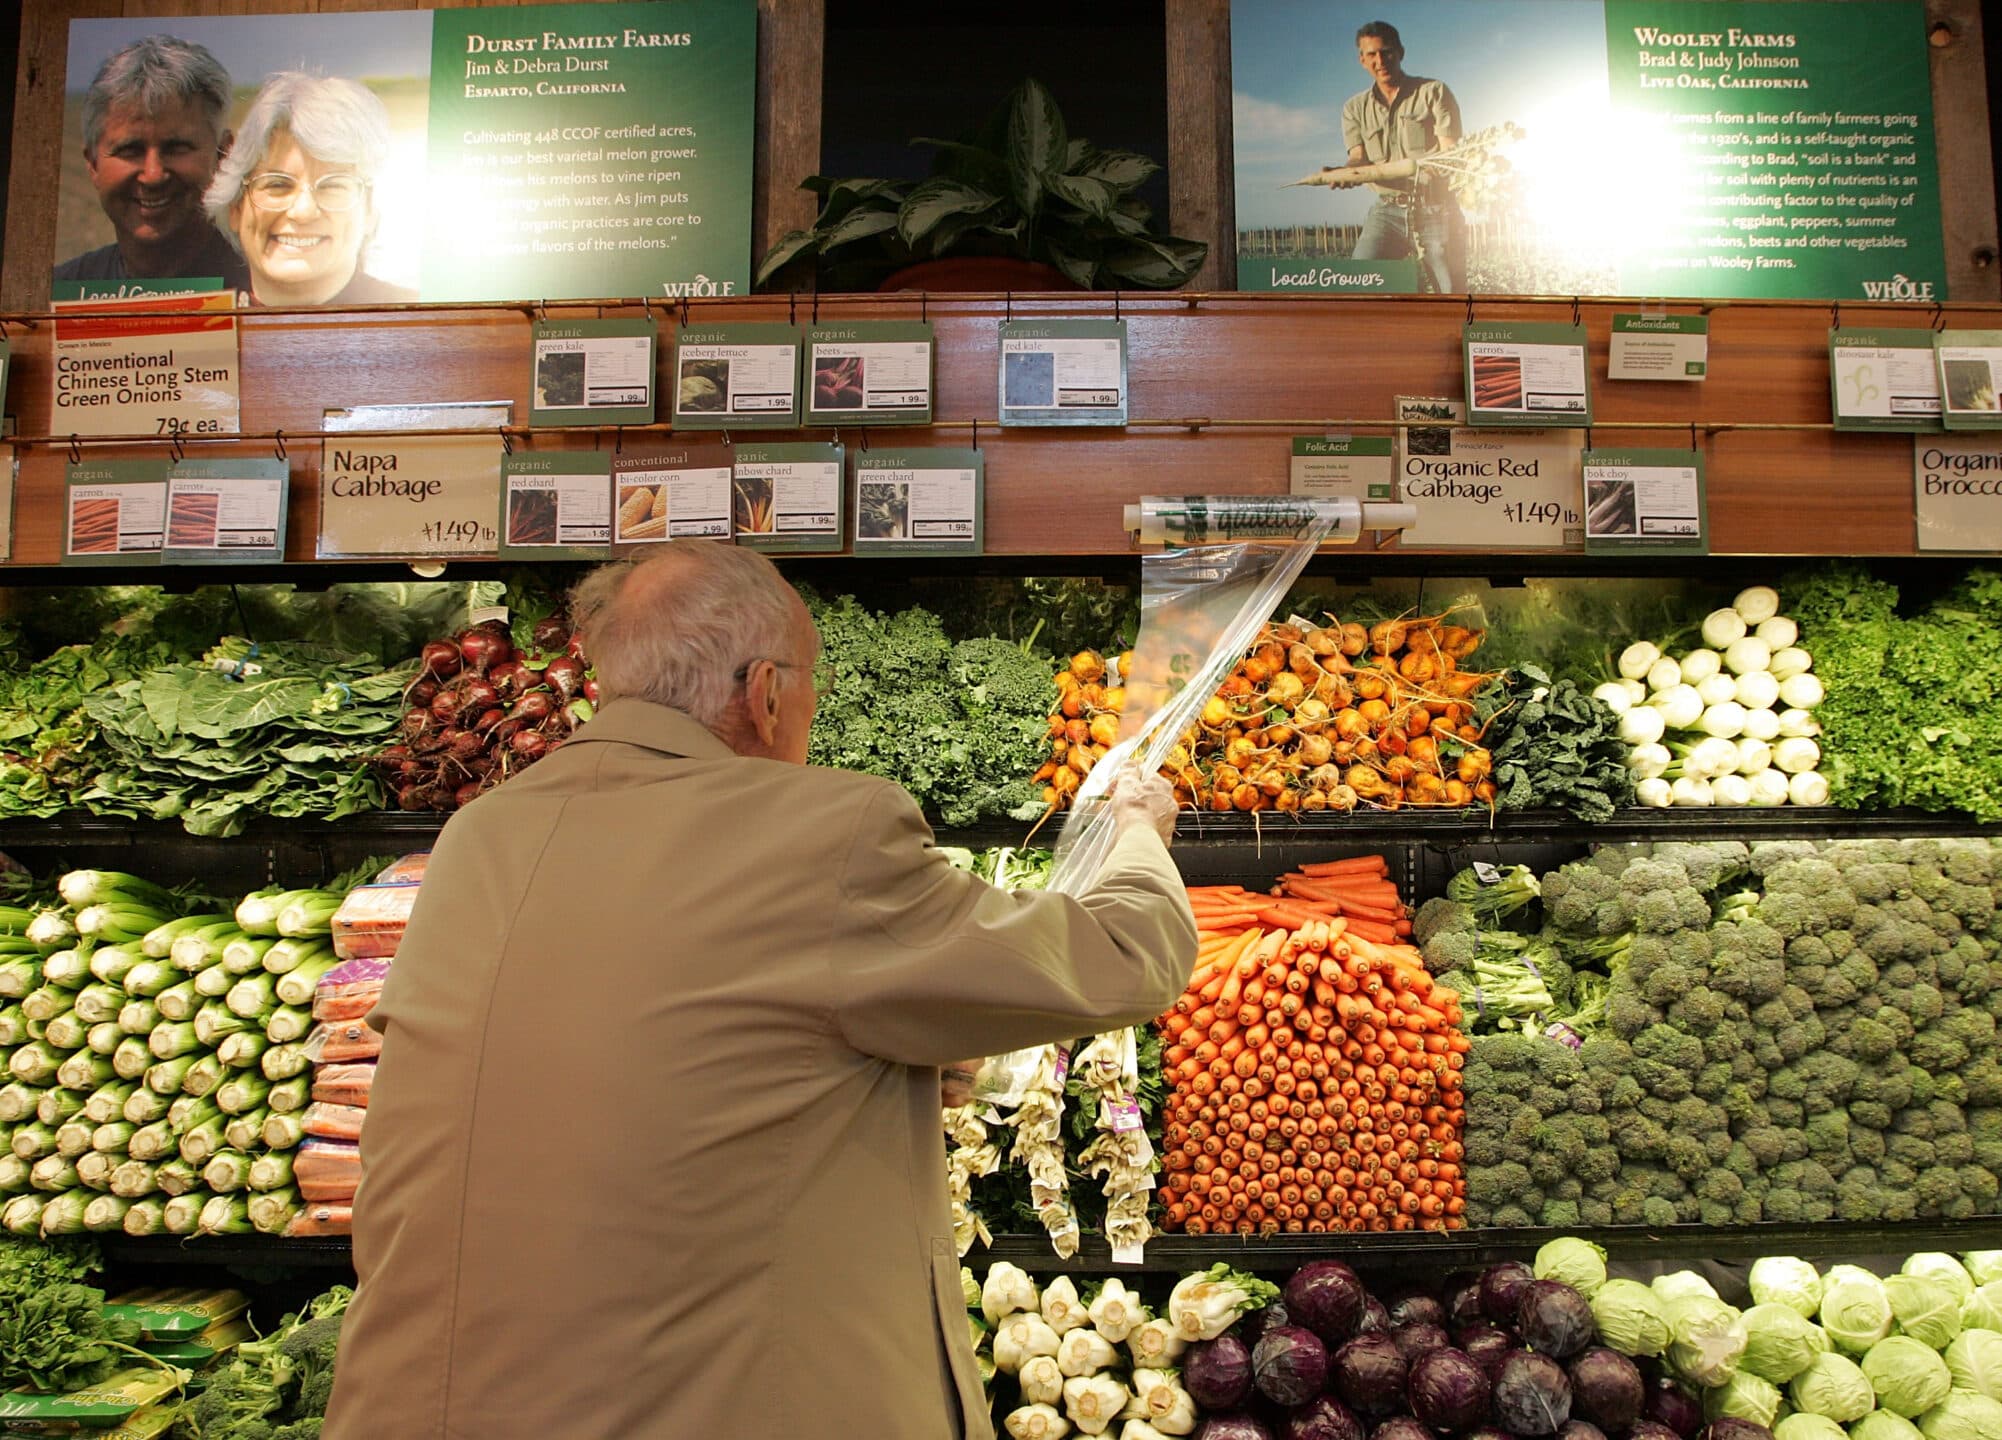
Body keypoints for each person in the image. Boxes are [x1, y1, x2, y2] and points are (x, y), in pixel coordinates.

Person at [324, 543, 1198, 1440]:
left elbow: (611, 1057)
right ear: (768, 692)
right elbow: (1124, 957)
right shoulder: (827, 829)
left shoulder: (475, 838)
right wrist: (1137, 833)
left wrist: (849, 1070)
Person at [54, 36, 250, 291]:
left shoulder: (262, 291)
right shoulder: (59, 293)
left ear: (223, 155)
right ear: (93, 164)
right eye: (130, 150)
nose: (153, 175)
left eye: (176, 148)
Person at [203, 72, 416, 306]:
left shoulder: (426, 323)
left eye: (333, 186)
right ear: (235, 207)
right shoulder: (193, 330)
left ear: (369, 212)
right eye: (277, 184)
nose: (303, 211)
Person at [1335, 20, 1467, 294]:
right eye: (1371, 54)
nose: (1380, 60)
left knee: (1451, 293)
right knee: (1359, 280)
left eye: (1387, 52)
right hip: (1387, 210)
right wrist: (1343, 173)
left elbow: (1450, 154)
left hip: (1435, 208)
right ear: (1362, 60)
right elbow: (1358, 158)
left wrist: (1433, 170)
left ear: (1401, 52)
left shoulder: (1433, 92)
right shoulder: (1354, 109)